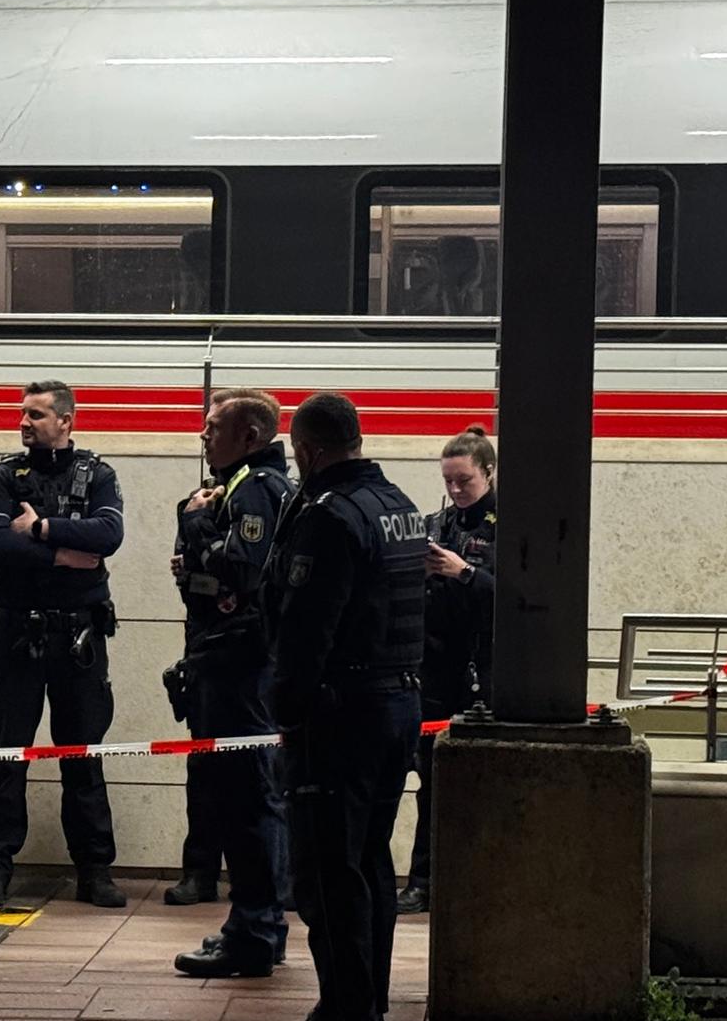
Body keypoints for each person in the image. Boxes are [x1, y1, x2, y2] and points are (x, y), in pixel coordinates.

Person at [263, 392, 423, 1021]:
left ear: (307, 450)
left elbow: (306, 631)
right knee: (370, 861)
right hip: (397, 705)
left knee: (327, 873)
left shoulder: (329, 516)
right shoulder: (399, 506)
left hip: (340, 718)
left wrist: (288, 713)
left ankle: (346, 1009)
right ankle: (368, 1001)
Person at [0, 379, 127, 909]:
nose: (24, 422)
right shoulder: (3, 476)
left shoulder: (98, 475)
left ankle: (95, 870)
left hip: (79, 636)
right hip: (16, 633)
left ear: (65, 421)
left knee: (82, 754)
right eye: (23, 413)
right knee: (5, 753)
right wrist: (60, 552)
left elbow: (107, 536)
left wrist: (38, 530)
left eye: (36, 414)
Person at [166, 389, 294, 979]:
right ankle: (256, 927)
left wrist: (197, 524)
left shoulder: (256, 488)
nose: (203, 434)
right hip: (230, 660)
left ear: (251, 436)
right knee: (241, 799)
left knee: (249, 802)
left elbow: (243, 570)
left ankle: (255, 931)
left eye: (214, 426)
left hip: (242, 665)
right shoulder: (239, 485)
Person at [397, 425, 498, 916]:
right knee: (429, 780)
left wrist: (465, 572)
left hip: (482, 668)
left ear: (489, 473)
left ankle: (476, 882)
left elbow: (516, 599)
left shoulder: (507, 527)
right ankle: (422, 880)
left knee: (479, 782)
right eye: (449, 481)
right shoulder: (435, 524)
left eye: (465, 481)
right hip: (433, 668)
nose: (456, 490)